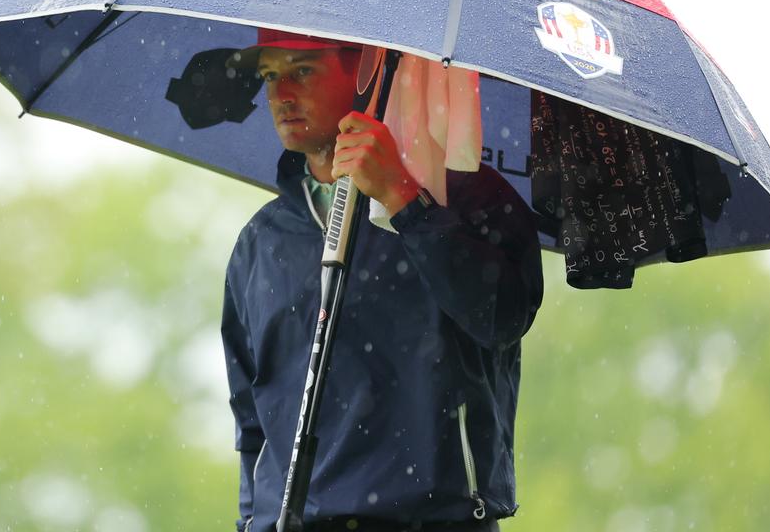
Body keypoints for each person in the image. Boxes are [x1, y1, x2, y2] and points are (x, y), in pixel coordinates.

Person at [221, 30, 544, 532]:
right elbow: (251, 419)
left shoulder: (471, 198)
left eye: (302, 70)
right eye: (270, 75)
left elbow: (501, 317)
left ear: (367, 69)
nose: (280, 94)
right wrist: (252, 520)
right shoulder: (260, 241)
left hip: (437, 520)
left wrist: (402, 198)